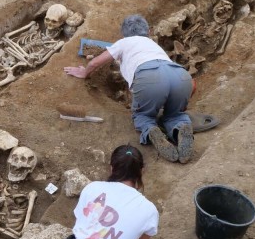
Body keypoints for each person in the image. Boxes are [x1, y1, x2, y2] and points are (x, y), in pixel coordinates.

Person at [64, 14, 194, 163]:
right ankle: (182, 126)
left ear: (123, 34)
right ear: (149, 32)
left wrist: (84, 72)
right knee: (175, 114)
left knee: (143, 116)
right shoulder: (152, 44)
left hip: (150, 77)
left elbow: (95, 63)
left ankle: (151, 130)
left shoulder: (123, 43)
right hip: (180, 75)